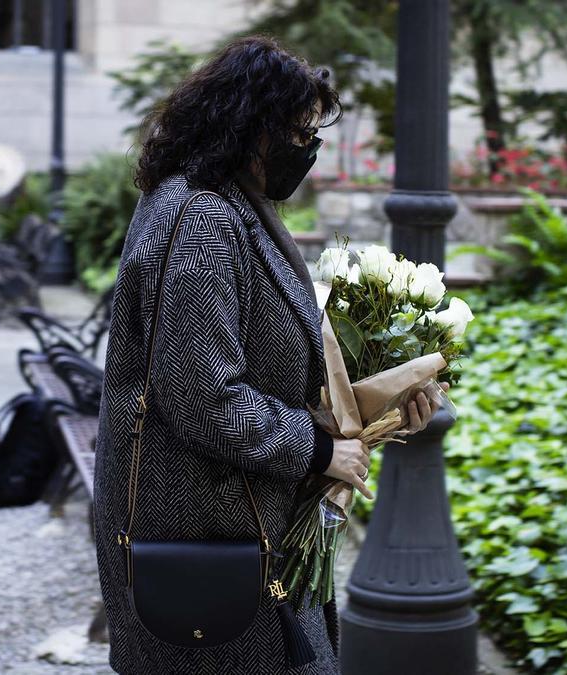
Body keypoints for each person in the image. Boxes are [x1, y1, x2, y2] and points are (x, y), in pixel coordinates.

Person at [92, 36, 447, 674]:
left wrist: (380, 411)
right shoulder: (202, 217)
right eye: (298, 133)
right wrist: (317, 449)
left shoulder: (228, 204)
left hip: (240, 529)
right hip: (208, 534)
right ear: (248, 123)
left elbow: (258, 361)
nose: (307, 149)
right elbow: (205, 397)